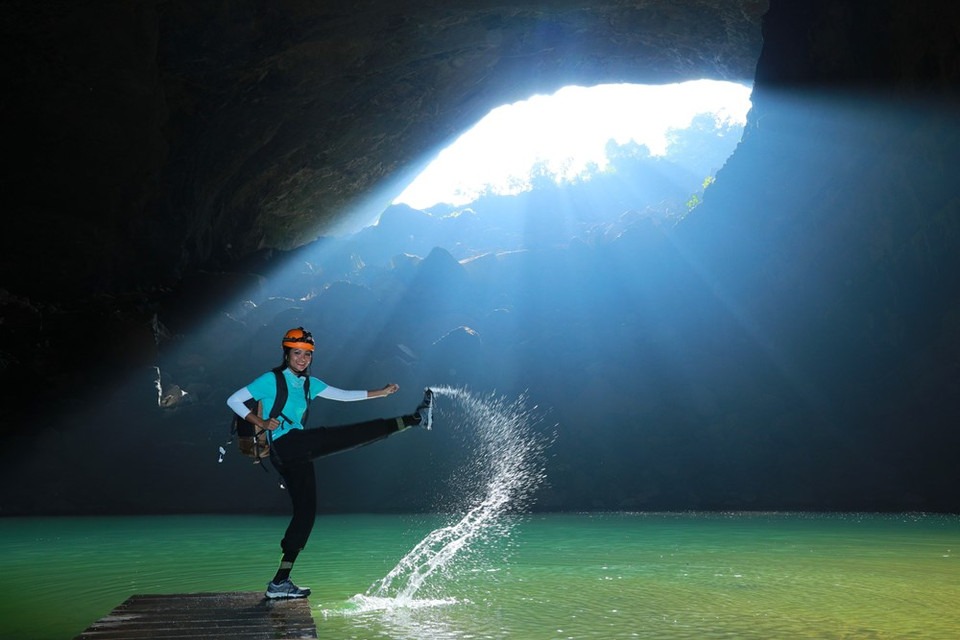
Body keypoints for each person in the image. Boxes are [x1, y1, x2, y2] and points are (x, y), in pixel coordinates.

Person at [226, 326, 433, 599]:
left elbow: (344, 396)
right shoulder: (271, 379)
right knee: (338, 436)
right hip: (285, 445)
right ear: (286, 353)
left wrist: (380, 393)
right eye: (297, 353)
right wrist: (262, 422)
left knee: (306, 513)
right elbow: (234, 400)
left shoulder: (309, 384)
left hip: (294, 454)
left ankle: (280, 582)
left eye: (307, 354)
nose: (302, 359)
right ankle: (415, 419)